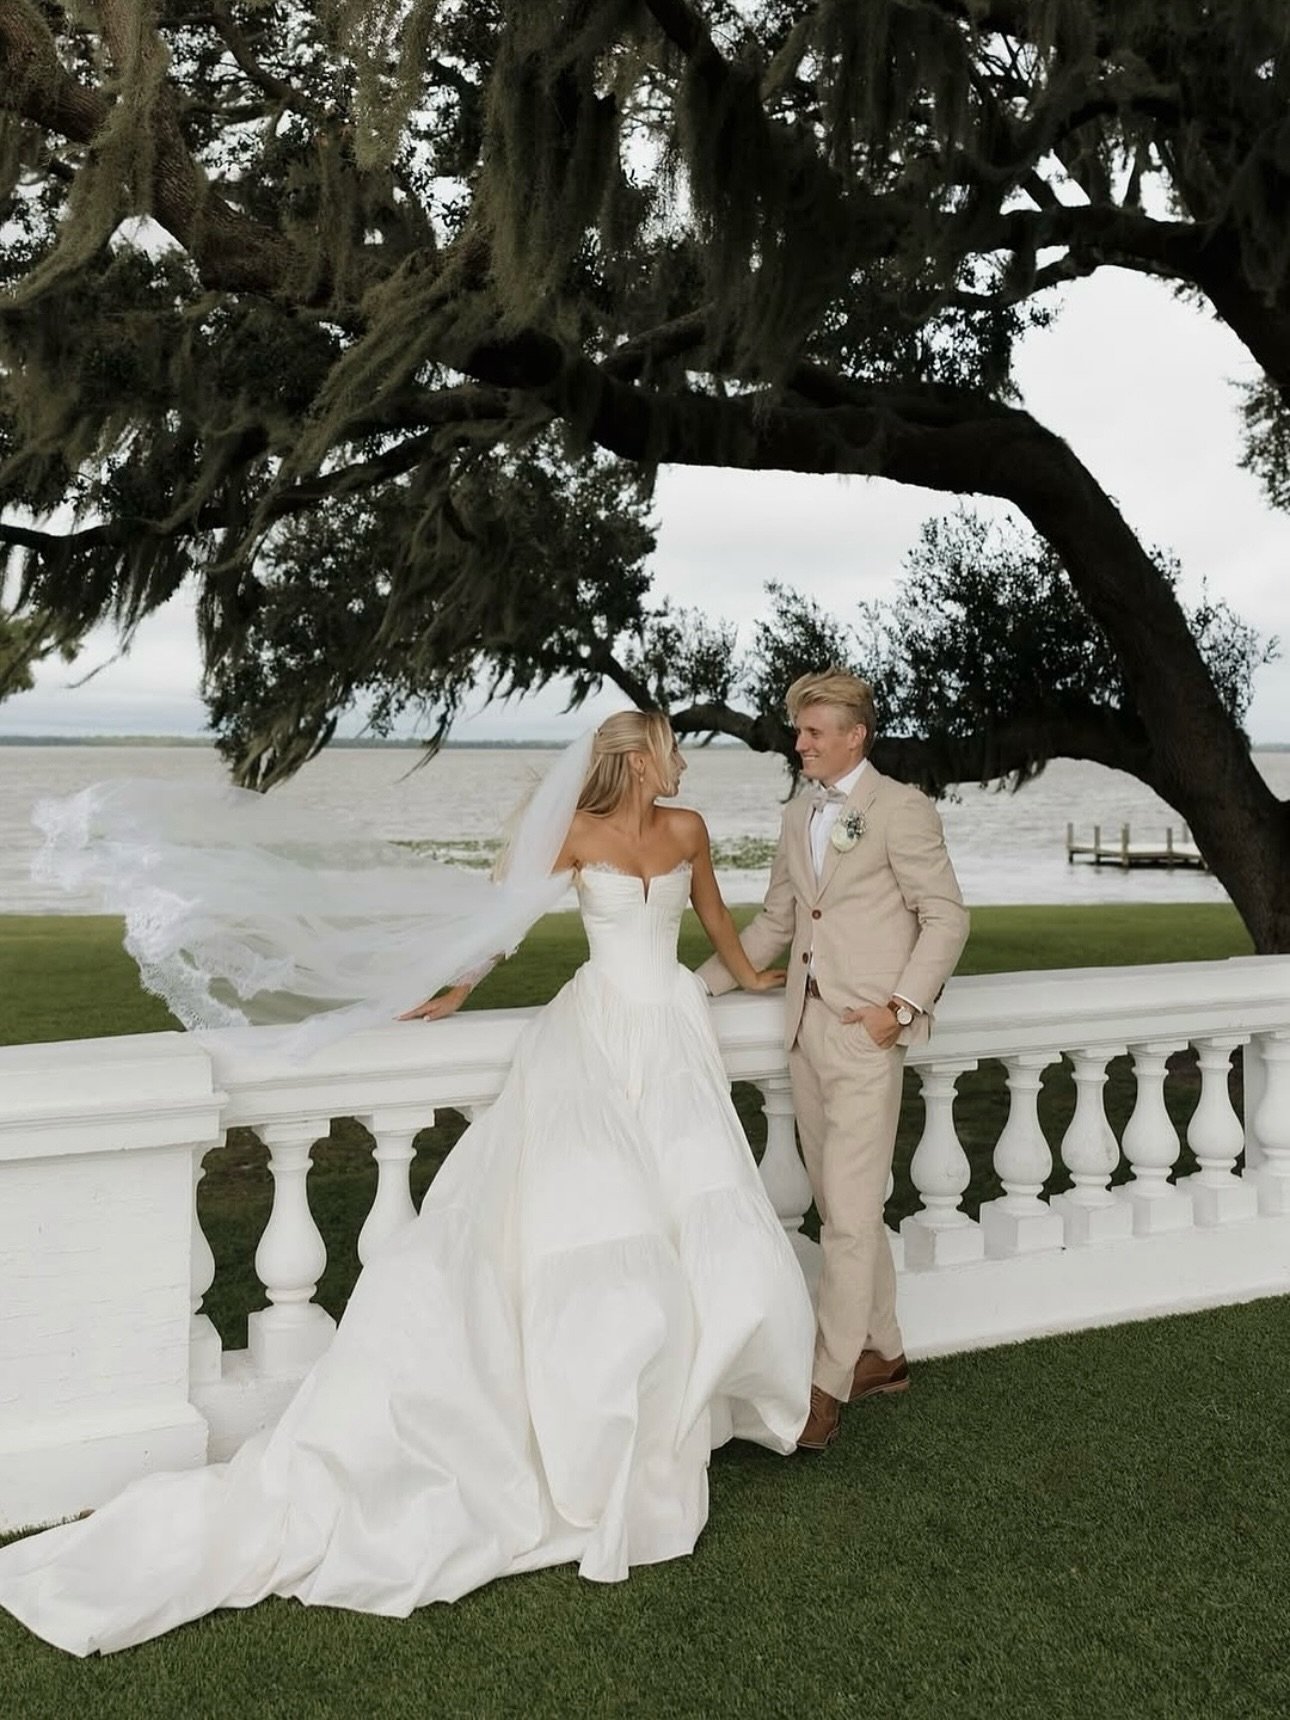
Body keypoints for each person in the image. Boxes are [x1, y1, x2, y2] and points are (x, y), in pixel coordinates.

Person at [0, 711, 814, 1656]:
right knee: (603, 1225)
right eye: (669, 746)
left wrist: (760, 981)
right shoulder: (575, 834)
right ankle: (596, 1416)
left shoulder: (689, 830)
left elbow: (715, 922)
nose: (680, 759)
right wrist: (456, 991)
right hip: (593, 1032)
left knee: (697, 1212)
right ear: (636, 758)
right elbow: (504, 927)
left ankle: (691, 1399)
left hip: (671, 1031)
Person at [698, 671, 968, 1452]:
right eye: (798, 730)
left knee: (845, 1218)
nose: (800, 742)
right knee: (842, 1205)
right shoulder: (797, 812)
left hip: (864, 1034)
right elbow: (778, 921)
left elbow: (946, 918)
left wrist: (900, 1010)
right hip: (805, 1033)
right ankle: (882, 1351)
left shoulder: (902, 809)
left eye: (814, 731)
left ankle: (823, 1387)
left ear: (857, 735)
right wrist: (691, 989)